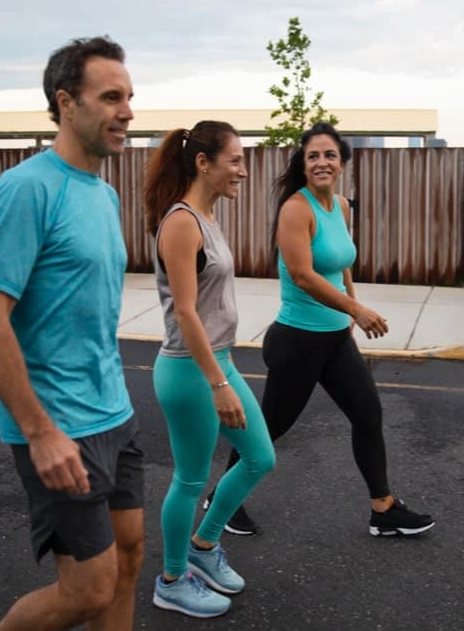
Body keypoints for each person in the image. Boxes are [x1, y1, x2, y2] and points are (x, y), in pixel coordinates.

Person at [0, 36, 144, 630]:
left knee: (129, 554)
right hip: (59, 423)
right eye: (111, 97)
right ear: (66, 103)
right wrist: (40, 432)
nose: (127, 112)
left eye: (130, 97)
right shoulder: (26, 190)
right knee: (87, 591)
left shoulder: (103, 191)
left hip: (112, 412)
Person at [216, 122, 435, 538]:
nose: (321, 162)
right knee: (270, 427)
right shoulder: (296, 209)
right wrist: (358, 308)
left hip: (334, 337)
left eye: (329, 155)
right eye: (313, 155)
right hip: (298, 340)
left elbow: (340, 263)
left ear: (342, 163)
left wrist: (348, 315)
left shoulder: (341, 206)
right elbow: (301, 275)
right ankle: (222, 500)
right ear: (303, 163)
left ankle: (383, 508)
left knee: (368, 413)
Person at [143, 121, 275, 618]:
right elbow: (184, 311)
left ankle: (203, 546)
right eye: (235, 160)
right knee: (191, 479)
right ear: (204, 163)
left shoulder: (207, 218)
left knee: (260, 457)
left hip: (217, 362)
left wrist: (222, 373)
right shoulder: (181, 223)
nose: (243, 169)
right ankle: (172, 578)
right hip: (190, 371)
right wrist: (218, 384)